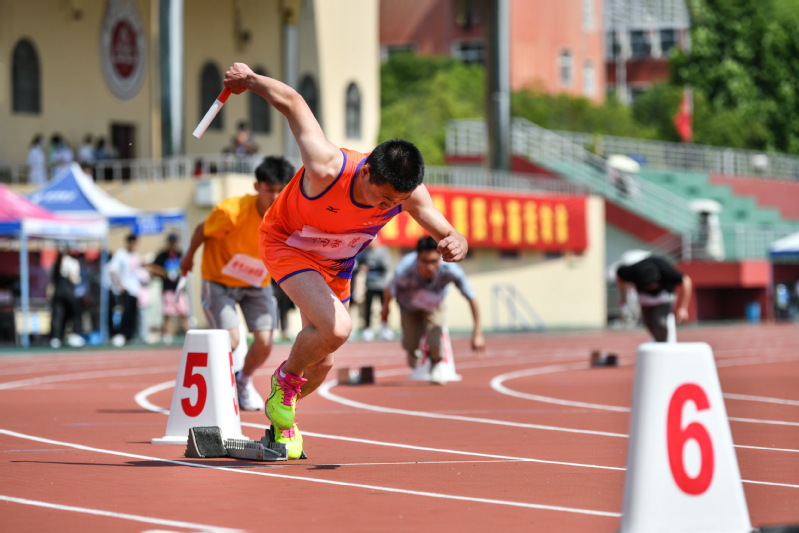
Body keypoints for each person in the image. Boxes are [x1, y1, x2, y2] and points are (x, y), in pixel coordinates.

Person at [222, 61, 468, 459]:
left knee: (322, 365)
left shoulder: (409, 195)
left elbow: (449, 233)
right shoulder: (326, 167)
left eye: (397, 202)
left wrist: (457, 242)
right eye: (383, 198)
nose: (388, 207)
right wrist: (250, 80)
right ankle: (283, 384)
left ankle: (283, 421)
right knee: (338, 328)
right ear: (366, 172)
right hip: (289, 244)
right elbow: (293, 102)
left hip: (336, 265)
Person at [180, 155, 295, 411]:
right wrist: (188, 257)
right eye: (269, 190)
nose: (275, 197)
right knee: (230, 341)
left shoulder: (288, 217)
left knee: (265, 343)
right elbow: (201, 230)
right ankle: (216, 389)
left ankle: (242, 381)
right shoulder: (230, 212)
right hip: (219, 281)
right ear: (256, 187)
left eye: (281, 190)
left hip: (256, 282)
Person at [382, 236, 485, 384]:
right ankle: (412, 350)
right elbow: (389, 290)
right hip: (408, 307)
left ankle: (436, 364)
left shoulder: (450, 269)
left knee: (435, 341)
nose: (429, 267)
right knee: (411, 344)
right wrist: (386, 309)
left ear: (440, 258)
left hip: (433, 306)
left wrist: (478, 334)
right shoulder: (405, 269)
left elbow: (472, 299)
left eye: (434, 261)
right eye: (425, 261)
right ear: (417, 258)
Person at [616, 254, 693, 342]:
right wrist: (623, 297)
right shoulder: (631, 271)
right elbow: (619, 276)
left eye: (653, 285)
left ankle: (663, 343)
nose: (651, 288)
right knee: (648, 323)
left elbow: (686, 281)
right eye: (648, 286)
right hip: (645, 297)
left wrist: (683, 308)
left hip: (664, 295)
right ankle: (658, 338)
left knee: (660, 321)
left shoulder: (664, 270)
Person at [150, 234, 189, 344]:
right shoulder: (163, 255)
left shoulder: (180, 254)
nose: (172, 244)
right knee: (167, 315)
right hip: (167, 289)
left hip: (179, 289)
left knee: (183, 313)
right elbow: (152, 267)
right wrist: (163, 272)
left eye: (174, 242)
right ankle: (167, 337)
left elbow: (186, 267)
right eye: (171, 242)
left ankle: (189, 336)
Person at [356, 235, 393, 341]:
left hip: (382, 284)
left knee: (384, 307)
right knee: (368, 308)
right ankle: (368, 328)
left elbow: (386, 266)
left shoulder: (384, 251)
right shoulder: (365, 252)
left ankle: (384, 327)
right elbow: (358, 262)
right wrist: (361, 267)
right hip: (369, 284)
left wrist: (370, 266)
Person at [107, 234, 142, 346]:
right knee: (121, 313)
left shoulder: (136, 256)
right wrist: (119, 284)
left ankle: (129, 336)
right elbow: (112, 270)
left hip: (134, 291)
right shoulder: (120, 254)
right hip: (122, 290)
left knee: (132, 315)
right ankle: (118, 335)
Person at [49, 247, 85, 348]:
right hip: (69, 292)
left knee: (58, 315)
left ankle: (56, 337)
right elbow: (74, 279)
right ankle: (75, 335)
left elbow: (51, 277)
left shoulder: (55, 263)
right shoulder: (72, 262)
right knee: (76, 313)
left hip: (57, 292)